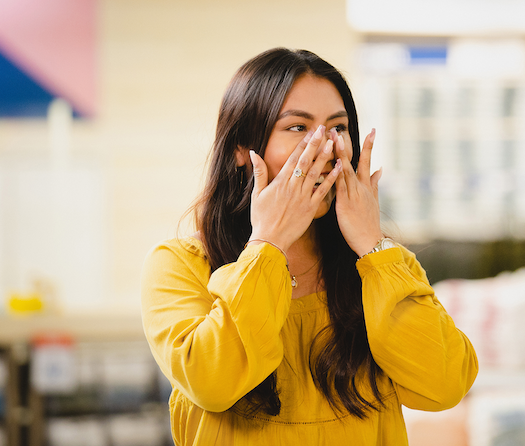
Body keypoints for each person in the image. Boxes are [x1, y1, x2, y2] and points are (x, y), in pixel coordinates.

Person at [140, 47, 479, 444]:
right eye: (298, 128)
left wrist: (372, 245)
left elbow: (444, 384)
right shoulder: (179, 266)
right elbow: (213, 381)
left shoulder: (381, 264)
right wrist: (268, 245)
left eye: (338, 128)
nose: (326, 147)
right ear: (240, 150)